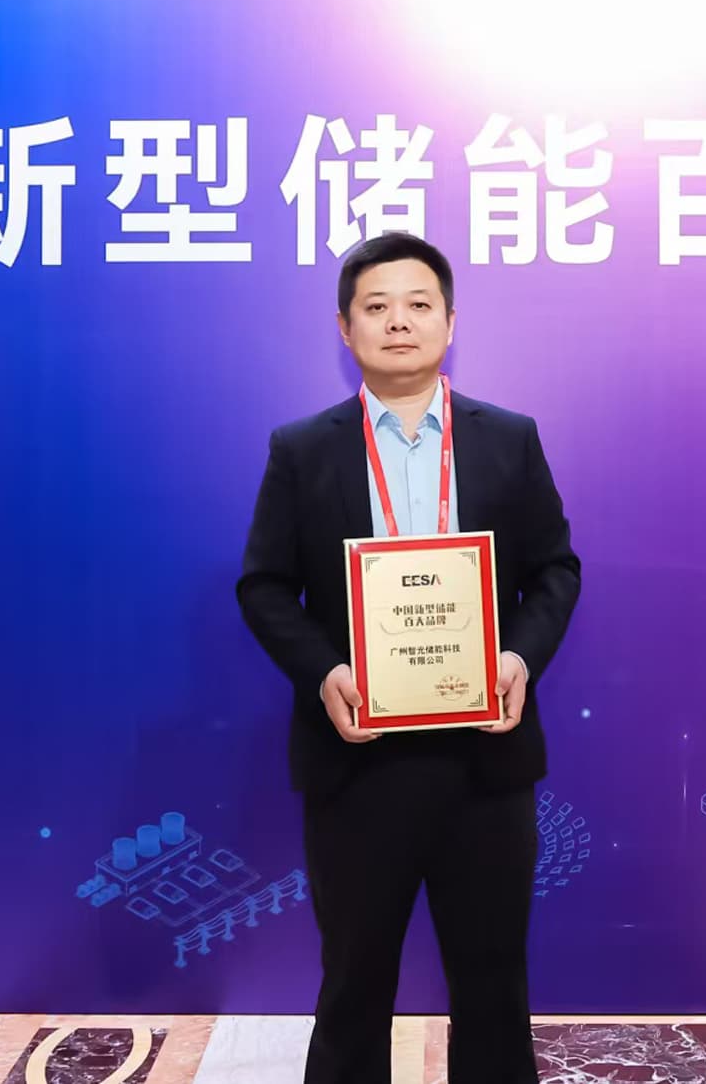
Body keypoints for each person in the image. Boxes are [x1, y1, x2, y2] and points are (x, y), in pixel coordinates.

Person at [236, 231, 582, 1084]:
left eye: (419, 304)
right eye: (377, 306)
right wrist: (326, 672)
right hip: (356, 761)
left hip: (485, 761)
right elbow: (265, 586)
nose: (399, 321)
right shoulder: (302, 449)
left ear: (450, 322)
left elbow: (555, 570)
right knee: (354, 984)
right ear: (345, 328)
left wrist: (519, 658)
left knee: (493, 983)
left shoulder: (509, 439)